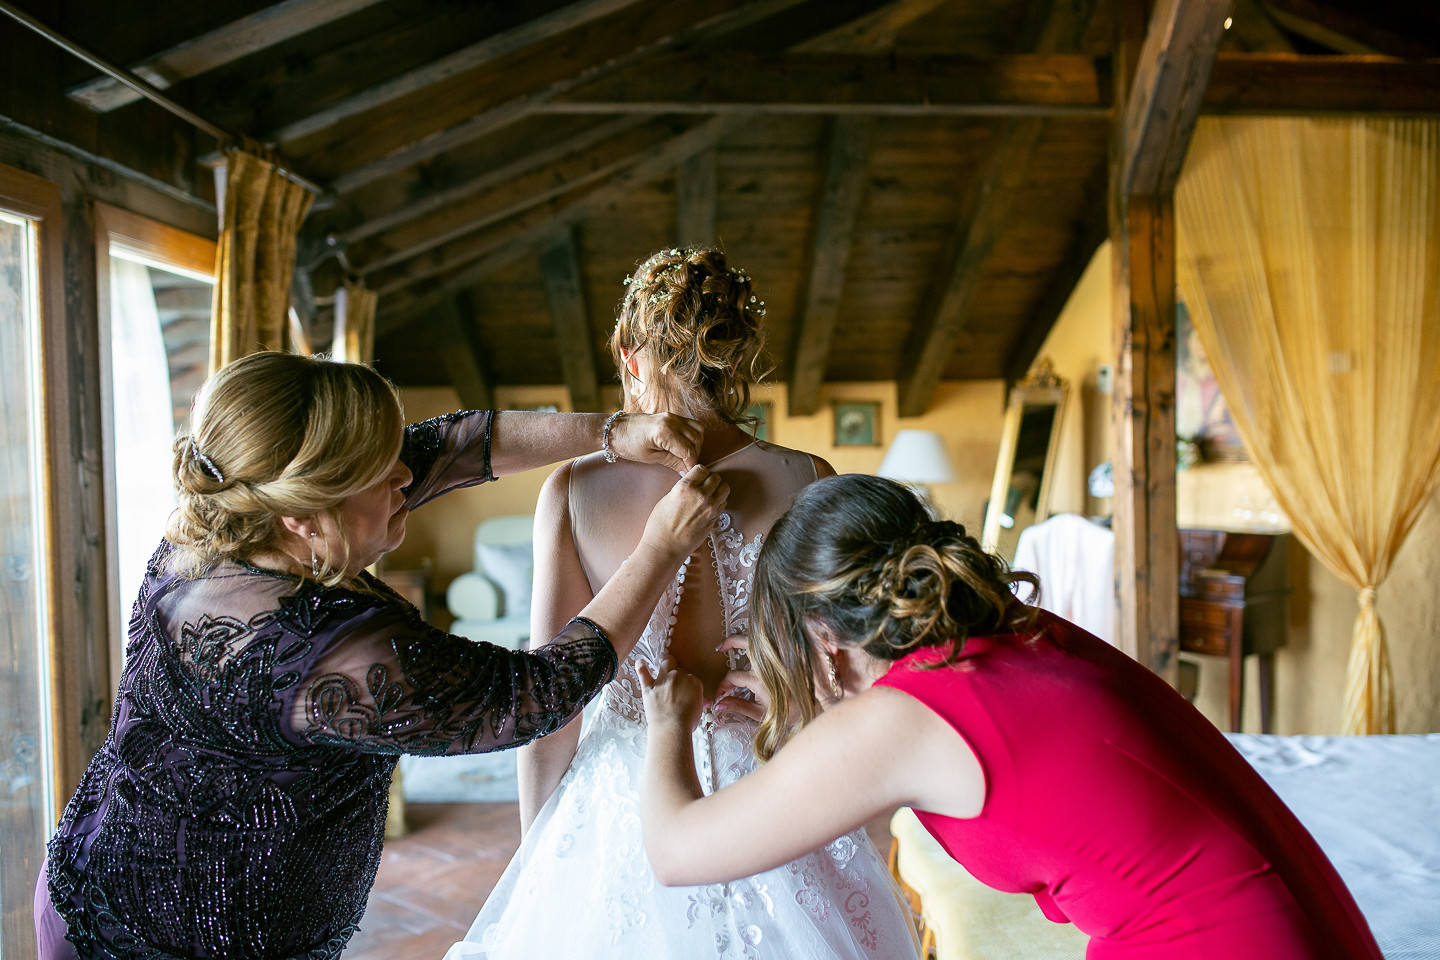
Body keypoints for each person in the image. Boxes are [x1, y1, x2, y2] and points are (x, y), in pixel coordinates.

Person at [37, 350, 729, 960]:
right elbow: (536, 693)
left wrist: (611, 433)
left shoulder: (222, 514)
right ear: (305, 515)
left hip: (92, 871)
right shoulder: (334, 653)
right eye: (378, 472)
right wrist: (661, 550)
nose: (405, 471)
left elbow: (449, 445)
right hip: (171, 941)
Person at [638, 474, 1386, 960]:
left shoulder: (901, 724)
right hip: (1292, 928)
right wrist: (808, 699)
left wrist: (669, 717)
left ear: (824, 642)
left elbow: (676, 851)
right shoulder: (1019, 632)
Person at [447, 249, 921, 959]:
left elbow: (555, 704)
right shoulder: (808, 478)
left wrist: (541, 852)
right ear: (736, 357)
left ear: (629, 356)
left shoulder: (574, 491)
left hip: (622, 797)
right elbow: (844, 673)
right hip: (769, 784)